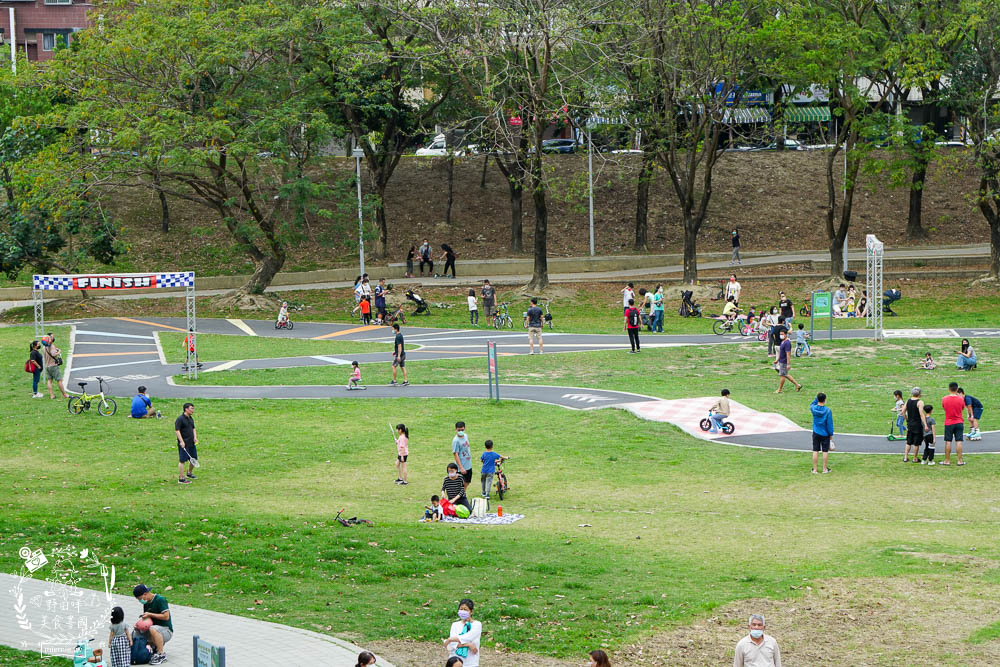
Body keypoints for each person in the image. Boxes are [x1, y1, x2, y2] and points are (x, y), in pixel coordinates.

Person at [132, 584, 171, 665]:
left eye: (140, 599)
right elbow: (148, 619)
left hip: (166, 630)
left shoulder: (160, 600)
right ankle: (141, 651)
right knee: (136, 631)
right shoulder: (146, 603)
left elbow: (166, 616)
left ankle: (161, 654)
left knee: (153, 629)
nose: (140, 601)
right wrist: (140, 624)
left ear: (145, 594)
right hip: (152, 628)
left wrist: (150, 614)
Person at [444, 599, 481, 667]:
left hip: (471, 663)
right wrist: (468, 644)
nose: (463, 611)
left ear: (471, 611)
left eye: (465, 609)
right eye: (461, 609)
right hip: (455, 662)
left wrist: (451, 639)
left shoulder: (477, 625)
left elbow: (468, 637)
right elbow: (453, 644)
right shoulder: (455, 625)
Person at [941, 382, 965, 466]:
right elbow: (962, 408)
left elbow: (944, 407)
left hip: (948, 422)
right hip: (959, 421)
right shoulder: (961, 399)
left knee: (948, 441)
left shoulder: (944, 399)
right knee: (959, 440)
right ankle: (960, 460)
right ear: (957, 389)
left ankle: (947, 460)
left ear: (949, 389)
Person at [174, 403, 198, 484]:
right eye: (191, 408)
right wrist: (181, 441)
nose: (193, 410)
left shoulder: (190, 418)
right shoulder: (180, 419)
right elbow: (177, 430)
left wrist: (195, 437)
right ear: (186, 409)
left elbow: (193, 428)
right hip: (184, 444)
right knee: (182, 460)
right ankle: (181, 478)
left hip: (191, 443)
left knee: (194, 459)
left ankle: (189, 473)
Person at [810, 392, 833, 474]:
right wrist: (831, 434)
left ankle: (815, 469)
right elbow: (829, 424)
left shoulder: (813, 408)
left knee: (815, 450)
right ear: (825, 400)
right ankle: (824, 469)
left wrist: (816, 398)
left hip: (816, 432)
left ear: (818, 399)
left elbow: (811, 404)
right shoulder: (828, 411)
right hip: (825, 434)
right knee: (825, 451)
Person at [903, 387, 928, 463]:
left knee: (909, 441)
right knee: (916, 442)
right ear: (919, 394)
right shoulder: (920, 402)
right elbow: (921, 414)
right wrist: (925, 424)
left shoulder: (908, 401)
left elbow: (903, 411)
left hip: (910, 424)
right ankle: (914, 458)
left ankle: (905, 457)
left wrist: (906, 419)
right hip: (917, 424)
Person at [41, 333, 68, 400]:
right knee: (59, 380)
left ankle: (51, 395)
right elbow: (53, 354)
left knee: (49, 380)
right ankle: (64, 394)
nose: (52, 338)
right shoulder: (51, 346)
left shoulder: (44, 348)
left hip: (47, 366)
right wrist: (59, 351)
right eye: (51, 337)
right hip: (53, 366)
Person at [452, 421, 473, 490]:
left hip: (468, 464)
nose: (460, 431)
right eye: (459, 430)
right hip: (461, 466)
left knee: (468, 481)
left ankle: (462, 494)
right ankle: (460, 496)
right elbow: (455, 454)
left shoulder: (466, 436)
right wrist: (461, 467)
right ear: (455, 429)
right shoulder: (456, 441)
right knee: (460, 483)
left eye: (462, 430)